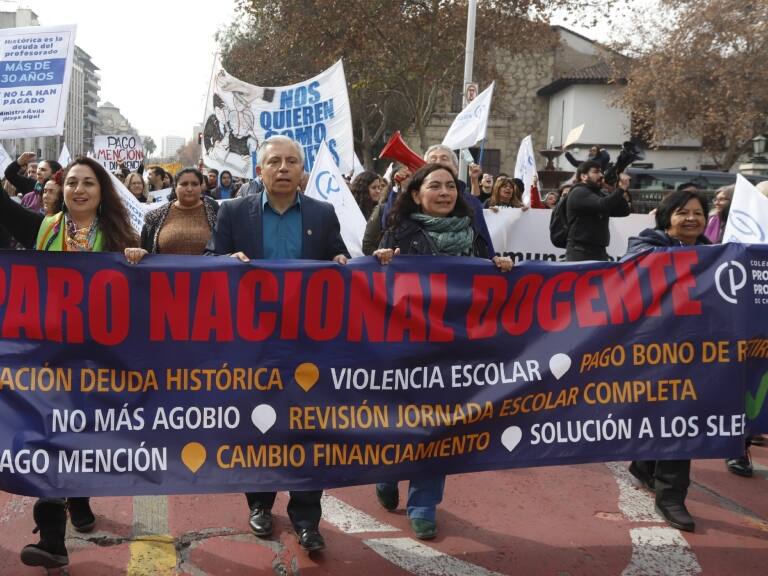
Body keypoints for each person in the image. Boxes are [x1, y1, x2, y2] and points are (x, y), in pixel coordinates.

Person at [206, 135, 349, 553]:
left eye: (291, 162)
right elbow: (213, 257)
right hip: (254, 342)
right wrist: (225, 263)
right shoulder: (233, 212)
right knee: (258, 423)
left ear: (303, 171)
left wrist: (341, 262)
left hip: (309, 342)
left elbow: (338, 256)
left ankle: (307, 518)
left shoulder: (322, 214)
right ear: (260, 170)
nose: (283, 168)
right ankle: (260, 504)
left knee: (310, 427)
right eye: (275, 162)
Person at [0, 157, 138, 569]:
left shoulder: (119, 237)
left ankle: (78, 498)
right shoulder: (42, 227)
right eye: (71, 183)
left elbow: (148, 294)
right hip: (46, 358)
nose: (78, 190)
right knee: (49, 435)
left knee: (79, 435)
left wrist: (139, 259)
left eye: (88, 184)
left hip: (97, 360)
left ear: (101, 192)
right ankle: (53, 539)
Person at [372, 164, 512, 540]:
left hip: (457, 350)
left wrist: (500, 266)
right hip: (409, 348)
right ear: (417, 194)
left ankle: (424, 505)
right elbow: (375, 284)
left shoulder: (474, 233)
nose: (445, 192)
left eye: (451, 186)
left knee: (439, 428)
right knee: (402, 423)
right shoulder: (399, 232)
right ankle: (387, 475)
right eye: (435, 186)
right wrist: (380, 262)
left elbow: (492, 276)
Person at [625, 188, 710, 533]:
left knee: (682, 414)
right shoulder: (646, 245)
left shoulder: (714, 253)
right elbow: (636, 267)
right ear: (667, 217)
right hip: (655, 346)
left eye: (698, 213)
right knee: (661, 410)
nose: (691, 219)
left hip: (698, 348)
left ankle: (669, 492)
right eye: (683, 212)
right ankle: (656, 478)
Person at [125, 168, 219, 262]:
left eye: (194, 184)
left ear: (201, 187)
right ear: (175, 187)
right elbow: (146, 251)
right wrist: (139, 253)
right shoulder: (156, 217)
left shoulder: (216, 213)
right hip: (166, 276)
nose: (190, 189)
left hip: (208, 275)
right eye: (184, 184)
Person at [565, 161, 631, 261]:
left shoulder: (598, 194)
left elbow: (623, 211)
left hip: (599, 252)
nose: (601, 175)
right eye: (596, 172)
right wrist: (621, 188)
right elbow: (602, 205)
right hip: (580, 252)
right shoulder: (578, 191)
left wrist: (613, 189)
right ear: (583, 176)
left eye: (601, 172)